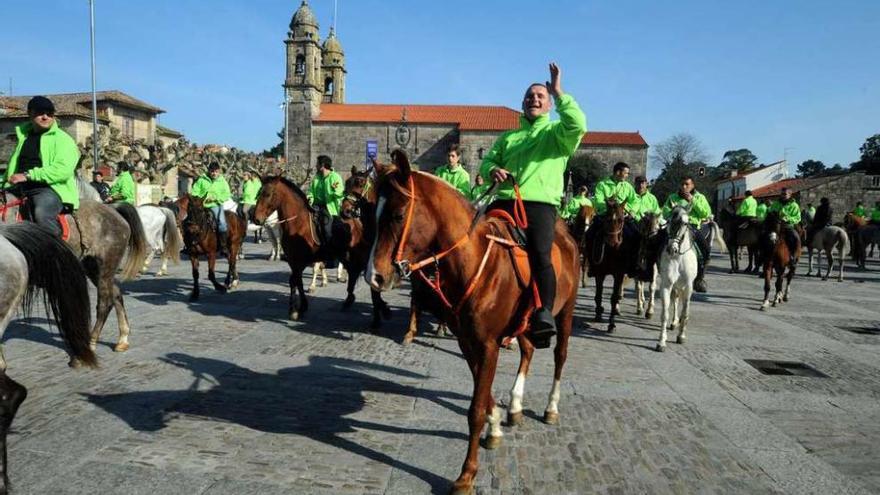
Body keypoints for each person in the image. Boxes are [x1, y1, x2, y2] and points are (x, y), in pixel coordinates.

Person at [479, 62, 586, 348]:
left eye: (540, 96)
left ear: (549, 105)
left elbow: (578, 124)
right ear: (522, 104)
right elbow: (489, 160)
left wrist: (560, 92)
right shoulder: (508, 137)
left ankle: (543, 313)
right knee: (471, 236)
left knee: (540, 253)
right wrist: (492, 170)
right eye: (529, 96)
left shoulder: (556, 135)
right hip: (504, 200)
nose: (534, 99)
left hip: (538, 205)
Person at [1, 96, 80, 237]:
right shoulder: (23, 137)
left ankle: (55, 254)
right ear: (30, 113)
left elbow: (63, 170)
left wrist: (27, 176)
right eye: (40, 113)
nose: (45, 117)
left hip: (48, 189)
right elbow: (13, 169)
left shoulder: (63, 140)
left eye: (49, 113)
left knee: (41, 215)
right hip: (17, 188)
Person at [662, 176, 713, 292]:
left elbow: (706, 213)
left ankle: (699, 278)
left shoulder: (699, 197)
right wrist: (672, 211)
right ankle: (657, 269)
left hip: (692, 227)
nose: (684, 187)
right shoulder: (672, 197)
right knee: (659, 242)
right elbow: (665, 212)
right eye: (682, 184)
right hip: (675, 227)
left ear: (692, 185)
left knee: (705, 250)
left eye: (687, 184)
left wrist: (693, 201)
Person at [191, 162, 232, 253]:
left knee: (221, 223)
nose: (214, 173)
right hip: (201, 205)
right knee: (191, 221)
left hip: (215, 205)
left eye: (216, 171)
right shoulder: (202, 180)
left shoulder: (222, 181)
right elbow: (194, 191)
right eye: (212, 171)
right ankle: (190, 243)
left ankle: (223, 245)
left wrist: (216, 198)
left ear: (219, 172)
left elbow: (227, 194)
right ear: (209, 171)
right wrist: (199, 198)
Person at [308, 155, 344, 245]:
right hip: (315, 206)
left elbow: (340, 193)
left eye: (317, 164)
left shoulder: (335, 177)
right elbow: (310, 192)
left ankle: (330, 251)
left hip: (329, 207)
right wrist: (309, 198)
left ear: (322, 165)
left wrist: (330, 194)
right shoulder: (316, 178)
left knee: (326, 228)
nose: (316, 166)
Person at [769, 187, 801, 264]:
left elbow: (797, 218)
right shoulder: (776, 203)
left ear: (790, 195)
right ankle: (764, 258)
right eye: (782, 193)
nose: (782, 195)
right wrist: (772, 214)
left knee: (796, 238)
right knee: (763, 235)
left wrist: (787, 218)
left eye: (784, 194)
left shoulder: (794, 205)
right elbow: (770, 211)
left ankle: (793, 256)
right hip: (775, 225)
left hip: (787, 226)